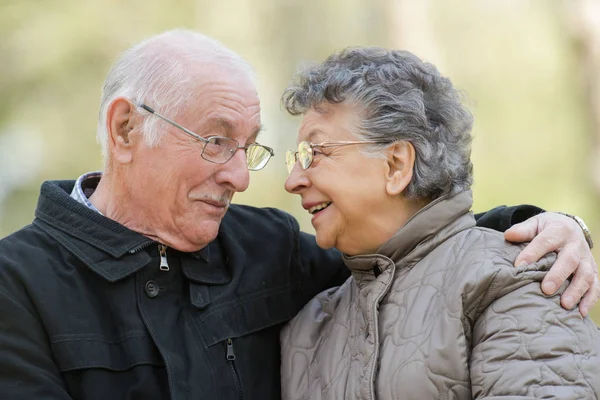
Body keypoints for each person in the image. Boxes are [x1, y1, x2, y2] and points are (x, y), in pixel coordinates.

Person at [0, 30, 596, 400]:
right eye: (215, 141)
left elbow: (410, 252)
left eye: (248, 147)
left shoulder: (267, 246)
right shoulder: (15, 286)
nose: (243, 176)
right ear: (125, 128)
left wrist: (541, 226)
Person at [280, 47, 600, 399]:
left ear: (396, 165)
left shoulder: (515, 281)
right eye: (296, 159)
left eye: (315, 154)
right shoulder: (306, 330)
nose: (293, 180)